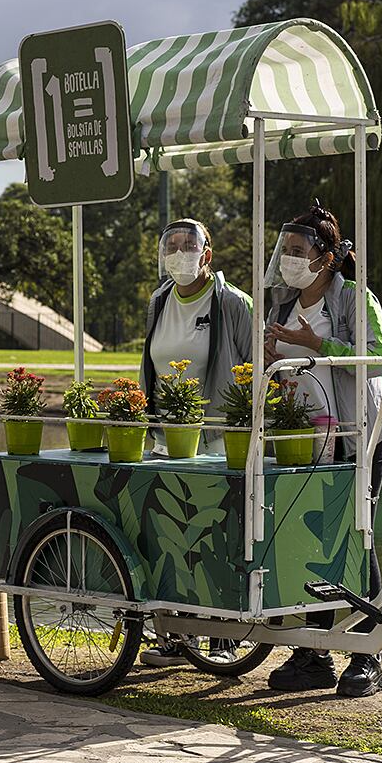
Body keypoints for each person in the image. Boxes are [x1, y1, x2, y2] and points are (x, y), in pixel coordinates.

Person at [262, 200, 382, 698]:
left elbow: (378, 360)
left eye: (297, 251)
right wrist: (269, 359)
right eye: (284, 250)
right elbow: (275, 373)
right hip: (306, 443)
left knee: (355, 535)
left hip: (359, 435)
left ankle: (367, 654)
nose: (287, 260)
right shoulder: (280, 303)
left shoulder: (355, 299)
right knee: (313, 540)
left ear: (324, 257)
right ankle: (313, 653)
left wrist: (318, 344)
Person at [136, 218, 253, 666]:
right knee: (170, 534)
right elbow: (151, 362)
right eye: (172, 246)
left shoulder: (231, 303)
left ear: (207, 254)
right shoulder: (159, 300)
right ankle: (175, 635)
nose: (179, 253)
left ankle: (222, 636)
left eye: (189, 246)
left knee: (215, 535)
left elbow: (253, 366)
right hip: (168, 440)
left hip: (219, 442)